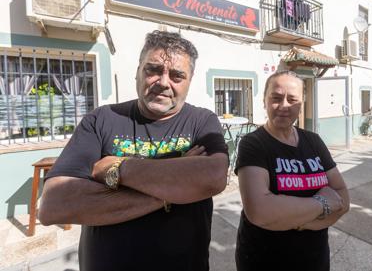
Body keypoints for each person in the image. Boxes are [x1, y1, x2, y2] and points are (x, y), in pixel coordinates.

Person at [39, 30, 229, 271]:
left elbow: (213, 178)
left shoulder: (201, 121)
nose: (163, 82)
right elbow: (55, 205)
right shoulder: (101, 119)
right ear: (138, 71)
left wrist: (117, 168)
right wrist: (176, 188)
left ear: (189, 82)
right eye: (153, 70)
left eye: (177, 75)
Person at [234, 70, 350, 271]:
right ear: (264, 101)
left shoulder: (313, 141)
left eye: (292, 99)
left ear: (301, 104)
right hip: (263, 260)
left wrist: (296, 221)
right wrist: (322, 203)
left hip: (315, 259)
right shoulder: (253, 144)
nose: (284, 106)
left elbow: (343, 200)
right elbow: (260, 211)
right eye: (276, 98)